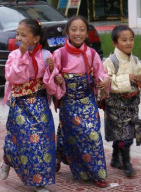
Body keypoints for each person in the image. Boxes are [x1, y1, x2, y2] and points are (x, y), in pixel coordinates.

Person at [43, 15, 110, 188]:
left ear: (87, 33)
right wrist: (56, 77)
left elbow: (100, 73)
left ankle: (98, 173)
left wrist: (103, 81)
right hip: (69, 102)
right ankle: (72, 163)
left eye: (82, 30)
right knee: (72, 135)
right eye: (74, 29)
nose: (78, 33)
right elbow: (51, 76)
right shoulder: (59, 54)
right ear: (67, 32)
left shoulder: (92, 53)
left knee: (93, 134)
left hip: (87, 100)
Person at [0, 19, 56, 192]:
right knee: (23, 141)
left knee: (44, 141)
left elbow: (50, 82)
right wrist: (23, 55)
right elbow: (14, 77)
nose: (19, 38)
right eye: (18, 34)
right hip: (20, 105)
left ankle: (40, 181)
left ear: (36, 38)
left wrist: (52, 71)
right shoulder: (14, 56)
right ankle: (8, 159)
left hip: (39, 103)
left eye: (23, 35)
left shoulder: (46, 55)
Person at [103, 25, 141, 177]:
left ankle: (115, 159)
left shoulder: (135, 60)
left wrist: (140, 80)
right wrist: (128, 78)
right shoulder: (110, 61)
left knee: (125, 132)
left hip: (131, 104)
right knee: (126, 135)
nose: (128, 43)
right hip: (116, 104)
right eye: (124, 40)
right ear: (115, 43)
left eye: (131, 39)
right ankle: (126, 163)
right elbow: (107, 80)